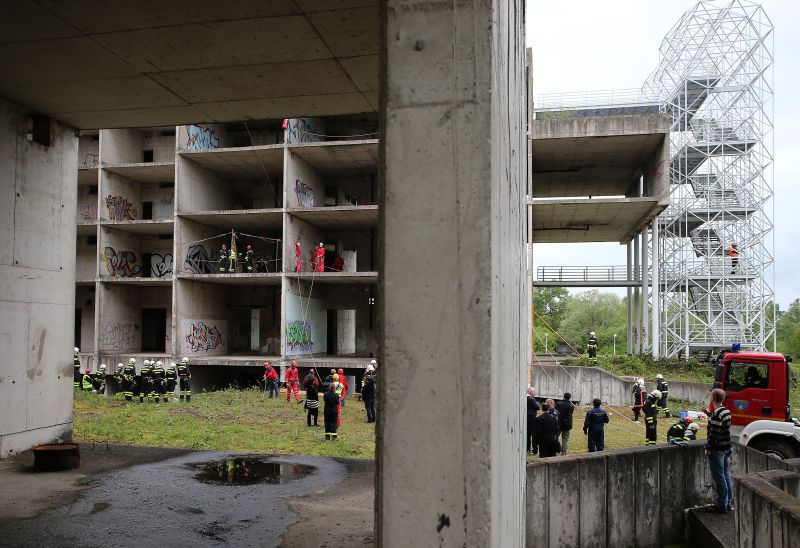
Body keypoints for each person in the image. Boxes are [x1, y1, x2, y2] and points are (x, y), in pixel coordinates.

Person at [705, 388, 733, 513]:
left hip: (717, 449)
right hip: (727, 447)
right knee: (726, 476)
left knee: (719, 478)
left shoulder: (716, 413)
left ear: (712, 398)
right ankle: (728, 503)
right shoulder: (725, 411)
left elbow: (714, 433)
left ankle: (721, 505)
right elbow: (719, 423)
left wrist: (708, 447)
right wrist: (709, 414)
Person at [526, 387, 541, 455]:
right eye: (534, 392)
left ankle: (527, 449)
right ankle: (534, 450)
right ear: (530, 392)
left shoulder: (525, 398)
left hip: (526, 417)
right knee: (533, 434)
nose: (535, 393)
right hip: (532, 418)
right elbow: (538, 407)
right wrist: (537, 403)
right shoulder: (531, 399)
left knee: (527, 434)